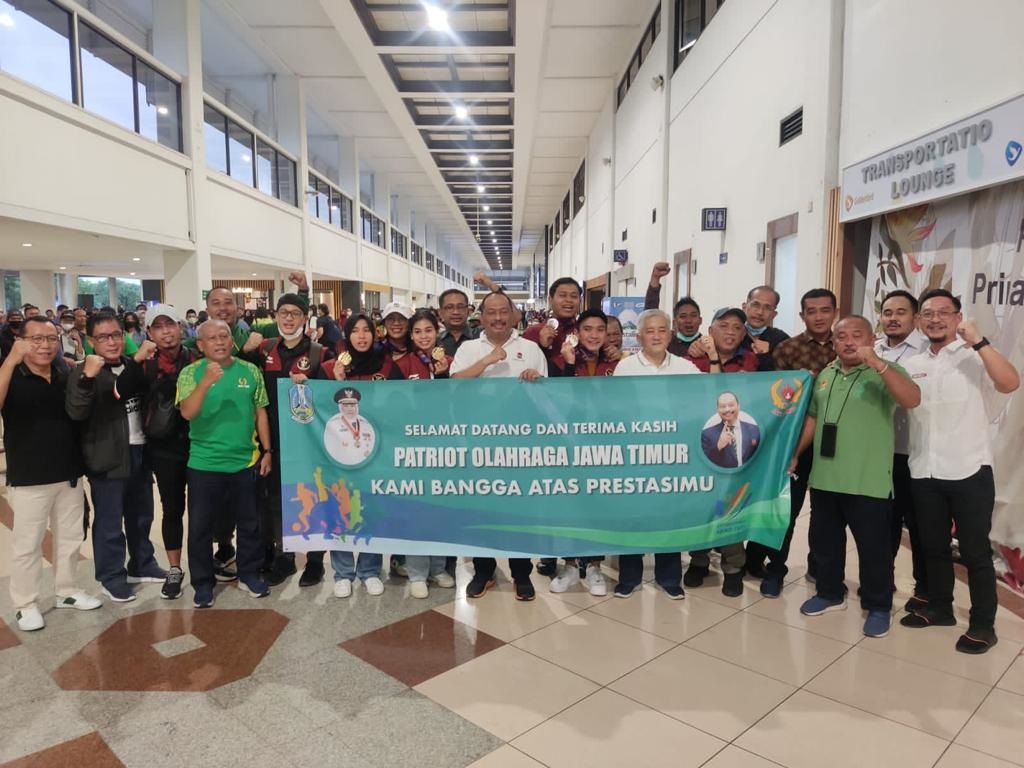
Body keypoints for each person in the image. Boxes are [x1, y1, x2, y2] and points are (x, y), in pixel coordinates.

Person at [900, 289, 1019, 654]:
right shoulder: (914, 362)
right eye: (928, 314)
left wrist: (979, 341)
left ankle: (984, 624)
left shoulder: (976, 356)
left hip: (969, 470)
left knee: (975, 552)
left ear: (957, 317)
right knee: (932, 546)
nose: (935, 319)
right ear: (919, 321)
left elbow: (1010, 382)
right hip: (924, 470)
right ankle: (940, 607)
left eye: (943, 313)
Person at [792, 315, 920, 639]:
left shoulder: (885, 371)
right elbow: (812, 419)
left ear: (871, 339)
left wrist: (877, 364)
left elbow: (912, 399)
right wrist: (795, 454)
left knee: (874, 550)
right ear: (833, 343)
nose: (849, 342)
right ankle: (829, 593)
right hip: (825, 479)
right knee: (825, 544)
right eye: (842, 336)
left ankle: (878, 605)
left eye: (857, 336)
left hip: (868, 481)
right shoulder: (825, 375)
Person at [1, 317, 101, 631]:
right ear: (21, 340)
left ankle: (67, 590)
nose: (44, 345)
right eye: (36, 339)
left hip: (68, 471)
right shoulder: (12, 374)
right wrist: (11, 359)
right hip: (30, 475)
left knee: (70, 538)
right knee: (28, 543)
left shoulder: (63, 372)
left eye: (50, 338)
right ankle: (25, 603)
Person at [451, 291, 547, 601]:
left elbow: (547, 397)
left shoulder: (531, 349)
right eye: (490, 312)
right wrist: (487, 361)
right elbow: (454, 384)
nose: (497, 318)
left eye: (503, 311)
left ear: (514, 314)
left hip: (520, 443)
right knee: (483, 507)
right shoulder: (468, 348)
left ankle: (521, 573)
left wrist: (536, 380)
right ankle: (483, 571)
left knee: (519, 508)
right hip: (479, 441)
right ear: (480, 315)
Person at [66, 311, 165, 603]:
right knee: (110, 522)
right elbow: (77, 411)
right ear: (91, 340)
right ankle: (111, 577)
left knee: (141, 514)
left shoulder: (133, 366)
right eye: (103, 337)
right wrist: (87, 378)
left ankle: (142, 563)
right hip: (107, 455)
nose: (111, 342)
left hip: (140, 450)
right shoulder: (85, 371)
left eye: (116, 335)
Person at [176, 319, 273, 607]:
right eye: (211, 338)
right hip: (204, 464)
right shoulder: (190, 373)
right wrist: (205, 383)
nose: (219, 342)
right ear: (200, 344)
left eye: (224, 336)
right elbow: (187, 413)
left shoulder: (250, 370)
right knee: (201, 529)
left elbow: (260, 413)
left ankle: (249, 574)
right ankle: (203, 584)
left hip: (245, 462)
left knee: (249, 524)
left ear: (232, 340)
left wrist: (267, 451)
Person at [748, 288, 838, 594]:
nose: (818, 316)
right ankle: (775, 569)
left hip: (839, 445)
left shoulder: (847, 347)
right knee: (788, 509)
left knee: (828, 514)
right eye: (811, 311)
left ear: (834, 313)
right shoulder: (786, 350)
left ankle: (822, 568)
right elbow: (776, 402)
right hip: (795, 442)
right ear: (802, 316)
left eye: (824, 310)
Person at [613, 309, 701, 599]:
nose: (656, 336)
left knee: (670, 515)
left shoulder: (686, 368)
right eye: (649, 331)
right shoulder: (625, 369)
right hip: (635, 453)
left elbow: (707, 396)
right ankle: (629, 577)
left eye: (662, 330)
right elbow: (613, 409)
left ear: (670, 334)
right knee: (632, 515)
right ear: (638, 337)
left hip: (672, 454)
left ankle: (669, 577)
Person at [256, 294, 333, 587]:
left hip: (308, 441)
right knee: (276, 500)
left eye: (295, 314)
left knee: (313, 497)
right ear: (276, 316)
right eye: (283, 313)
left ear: (305, 318)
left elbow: (329, 397)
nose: (288, 319)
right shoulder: (264, 350)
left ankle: (315, 562)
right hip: (273, 439)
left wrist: (311, 385)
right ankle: (283, 556)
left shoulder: (318, 353)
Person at [327, 312, 404, 599]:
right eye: (355, 331)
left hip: (377, 452)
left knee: (374, 509)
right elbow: (319, 406)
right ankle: (343, 572)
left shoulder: (387, 366)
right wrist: (335, 381)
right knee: (341, 509)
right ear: (346, 335)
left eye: (366, 331)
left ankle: (370, 570)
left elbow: (399, 403)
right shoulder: (331, 367)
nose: (361, 336)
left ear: (374, 334)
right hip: (341, 454)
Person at [547, 308, 617, 596]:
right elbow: (558, 399)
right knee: (570, 505)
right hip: (569, 445)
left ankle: (596, 567)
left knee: (599, 507)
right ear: (578, 331)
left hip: (605, 446)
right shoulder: (562, 360)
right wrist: (566, 365)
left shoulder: (617, 364)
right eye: (588, 329)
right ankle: (571, 566)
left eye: (600, 329)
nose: (594, 335)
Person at [135, 304, 199, 600]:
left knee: (202, 509)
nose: (166, 332)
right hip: (163, 449)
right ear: (149, 332)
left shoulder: (198, 358)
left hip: (200, 444)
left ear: (180, 327)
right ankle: (175, 569)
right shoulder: (144, 365)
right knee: (172, 508)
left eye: (169, 325)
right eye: (158, 327)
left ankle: (201, 565)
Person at [396, 309, 457, 597]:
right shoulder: (401, 364)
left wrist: (444, 374)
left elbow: (461, 398)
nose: (423, 336)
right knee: (416, 510)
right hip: (413, 446)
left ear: (438, 332)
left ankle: (438, 568)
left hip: (444, 446)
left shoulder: (451, 362)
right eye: (418, 331)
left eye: (428, 331)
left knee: (441, 510)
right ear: (411, 335)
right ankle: (417, 572)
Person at [873, 289, 928, 609]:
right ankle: (883, 579)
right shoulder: (872, 349)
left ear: (915, 317)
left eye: (901, 312)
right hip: (879, 452)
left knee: (920, 524)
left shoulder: (926, 352)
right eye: (887, 312)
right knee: (883, 521)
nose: (893, 318)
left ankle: (924, 586)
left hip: (915, 451)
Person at [522, 277, 582, 376]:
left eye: (574, 296)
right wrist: (542, 347)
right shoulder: (533, 332)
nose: (569, 300)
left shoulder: (584, 332)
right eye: (562, 295)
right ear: (550, 299)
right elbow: (524, 366)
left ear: (580, 300)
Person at [644, 262, 703, 356]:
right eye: (683, 316)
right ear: (675, 322)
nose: (688, 320)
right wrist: (655, 278)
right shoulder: (667, 344)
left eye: (693, 316)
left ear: (700, 320)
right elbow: (650, 315)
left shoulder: (706, 345)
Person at [701, 392, 760, 468]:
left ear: (738, 406)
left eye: (731, 405)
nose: (727, 409)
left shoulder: (754, 430)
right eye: (722, 406)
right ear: (717, 409)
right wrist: (719, 446)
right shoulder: (707, 434)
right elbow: (704, 464)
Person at [741, 285, 790, 370]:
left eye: (767, 308)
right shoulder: (733, 335)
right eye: (755, 305)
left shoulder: (781, 340)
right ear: (744, 307)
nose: (760, 312)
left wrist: (764, 356)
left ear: (774, 315)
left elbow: (785, 377)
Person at [437, 288, 480, 358]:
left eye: (461, 307)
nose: (456, 312)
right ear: (441, 313)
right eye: (450, 307)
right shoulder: (436, 342)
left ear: (468, 311)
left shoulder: (481, 336)